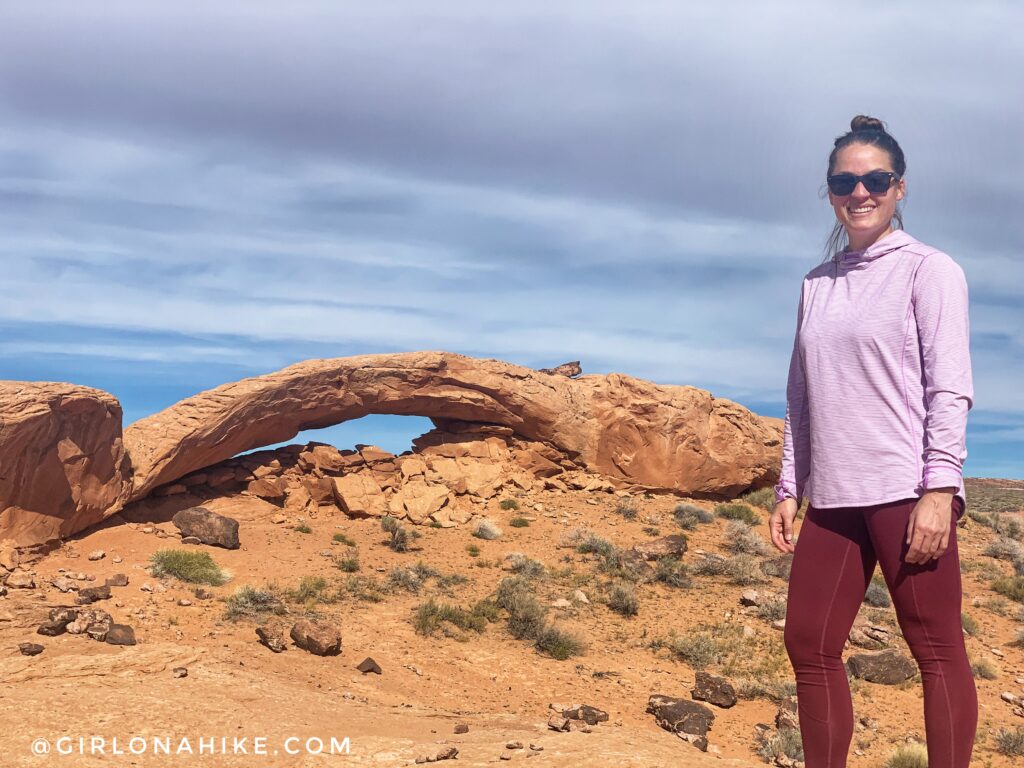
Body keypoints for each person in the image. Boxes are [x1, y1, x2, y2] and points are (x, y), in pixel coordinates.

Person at [769, 115, 976, 768]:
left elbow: (950, 386)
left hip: (904, 491)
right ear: (831, 190)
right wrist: (788, 485)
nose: (860, 192)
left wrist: (940, 489)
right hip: (832, 496)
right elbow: (802, 393)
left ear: (900, 188)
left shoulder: (929, 270)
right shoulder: (816, 284)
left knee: (936, 648)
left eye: (875, 179)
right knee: (809, 645)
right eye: (845, 181)